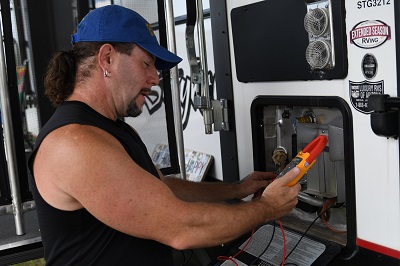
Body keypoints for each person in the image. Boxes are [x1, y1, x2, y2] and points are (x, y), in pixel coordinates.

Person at [28, 4, 301, 266]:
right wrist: (268, 207)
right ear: (106, 58)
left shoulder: (113, 128)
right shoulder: (75, 143)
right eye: (146, 63)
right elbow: (181, 228)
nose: (155, 79)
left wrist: (237, 189)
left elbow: (161, 189)